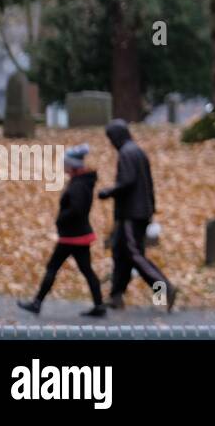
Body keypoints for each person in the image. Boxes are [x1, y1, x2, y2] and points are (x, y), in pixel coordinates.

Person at [18, 143, 108, 317]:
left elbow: (77, 209)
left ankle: (37, 303)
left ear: (72, 165)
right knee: (86, 270)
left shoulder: (78, 185)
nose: (63, 167)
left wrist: (61, 219)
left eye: (65, 164)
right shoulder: (81, 181)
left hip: (72, 236)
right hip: (78, 234)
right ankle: (99, 305)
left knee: (53, 267)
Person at [98, 119, 179, 311]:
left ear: (118, 136)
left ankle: (164, 289)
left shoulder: (127, 153)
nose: (111, 143)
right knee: (121, 253)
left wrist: (108, 192)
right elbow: (148, 184)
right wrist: (151, 208)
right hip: (140, 212)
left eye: (111, 138)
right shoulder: (137, 151)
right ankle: (116, 297)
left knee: (134, 255)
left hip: (131, 214)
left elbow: (127, 181)